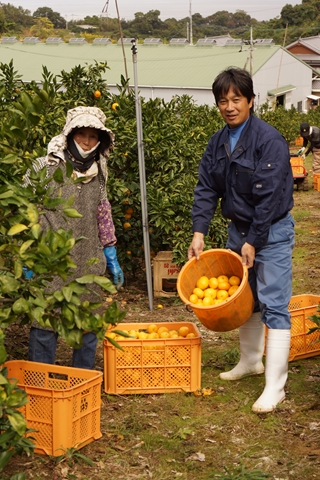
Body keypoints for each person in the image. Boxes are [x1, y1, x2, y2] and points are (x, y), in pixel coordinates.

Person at [188, 67, 295, 413]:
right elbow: (206, 188)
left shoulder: (269, 140)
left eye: (236, 99)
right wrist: (199, 231)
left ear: (250, 101)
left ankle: (275, 387)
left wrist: (255, 239)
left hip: (272, 230)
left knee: (274, 302)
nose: (229, 106)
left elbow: (270, 197)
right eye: (223, 101)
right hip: (239, 231)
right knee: (246, 299)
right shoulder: (217, 142)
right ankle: (251, 361)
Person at [25, 106, 124, 369]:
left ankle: (83, 383)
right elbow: (24, 210)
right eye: (81, 134)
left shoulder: (99, 168)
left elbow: (102, 208)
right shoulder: (45, 165)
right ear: (69, 134)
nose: (87, 142)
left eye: (93, 137)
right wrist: (24, 255)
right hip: (50, 259)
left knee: (87, 325)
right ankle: (42, 383)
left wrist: (110, 250)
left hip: (88, 258)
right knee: (45, 322)